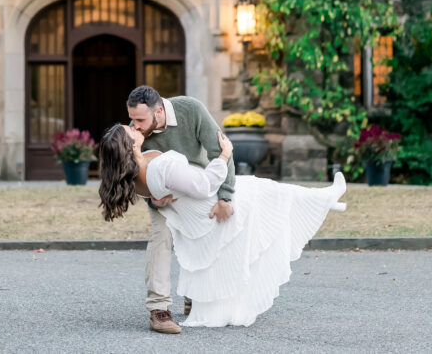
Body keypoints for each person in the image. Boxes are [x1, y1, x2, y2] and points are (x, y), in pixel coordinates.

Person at [98, 122, 347, 328]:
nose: (133, 126)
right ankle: (326, 198)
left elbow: (163, 195)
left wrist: (157, 199)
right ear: (130, 145)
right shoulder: (159, 166)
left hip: (198, 212)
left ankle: (326, 199)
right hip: (212, 203)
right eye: (129, 129)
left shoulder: (134, 179)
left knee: (275, 192)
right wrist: (225, 153)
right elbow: (206, 184)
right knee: (272, 191)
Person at [125, 86, 235, 334]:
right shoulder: (136, 134)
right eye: (132, 118)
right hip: (162, 194)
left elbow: (221, 148)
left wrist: (225, 197)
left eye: (140, 119)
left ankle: (193, 294)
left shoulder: (191, 110)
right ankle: (158, 310)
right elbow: (133, 174)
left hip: (197, 182)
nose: (135, 125)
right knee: (161, 237)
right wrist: (152, 200)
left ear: (160, 111)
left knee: (203, 235)